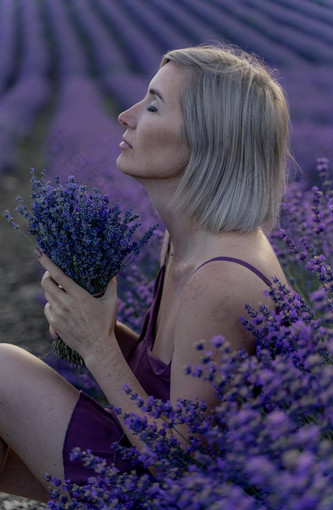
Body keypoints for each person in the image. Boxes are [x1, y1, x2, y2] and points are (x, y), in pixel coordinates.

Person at [0, 45, 290, 502]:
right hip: (148, 462)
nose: (125, 115)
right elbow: (169, 386)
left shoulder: (220, 279)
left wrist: (96, 344)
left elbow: (180, 462)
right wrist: (97, 326)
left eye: (153, 105)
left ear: (206, 139)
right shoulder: (184, 244)